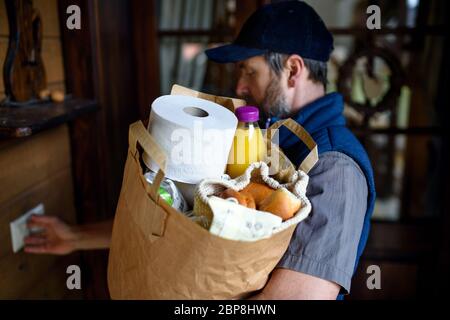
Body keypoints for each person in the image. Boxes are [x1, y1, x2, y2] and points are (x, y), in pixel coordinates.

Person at [25, 1, 376, 300]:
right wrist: (74, 237)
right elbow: (180, 214)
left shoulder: (335, 168)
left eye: (248, 71)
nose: (239, 86)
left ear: (293, 70)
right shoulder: (264, 139)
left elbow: (300, 296)